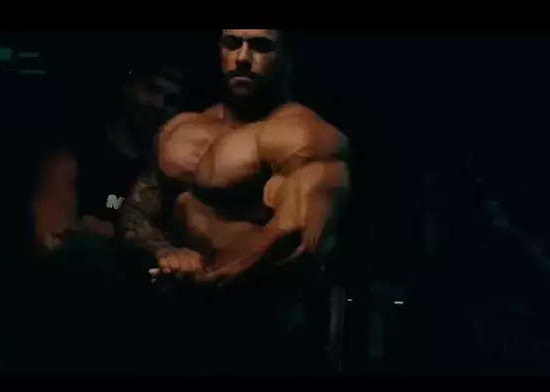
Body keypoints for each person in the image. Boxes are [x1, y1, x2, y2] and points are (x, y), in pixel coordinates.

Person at [118, 29, 351, 373]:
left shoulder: (307, 137)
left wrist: (211, 285)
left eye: (260, 46)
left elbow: (300, 239)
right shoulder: (179, 130)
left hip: (263, 336)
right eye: (232, 43)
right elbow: (137, 211)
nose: (242, 57)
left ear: (288, 58)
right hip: (177, 327)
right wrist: (165, 252)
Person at [32, 63, 186, 251]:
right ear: (127, 86)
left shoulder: (175, 173)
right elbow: (50, 239)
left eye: (171, 99)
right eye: (152, 89)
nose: (159, 104)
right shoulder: (74, 158)